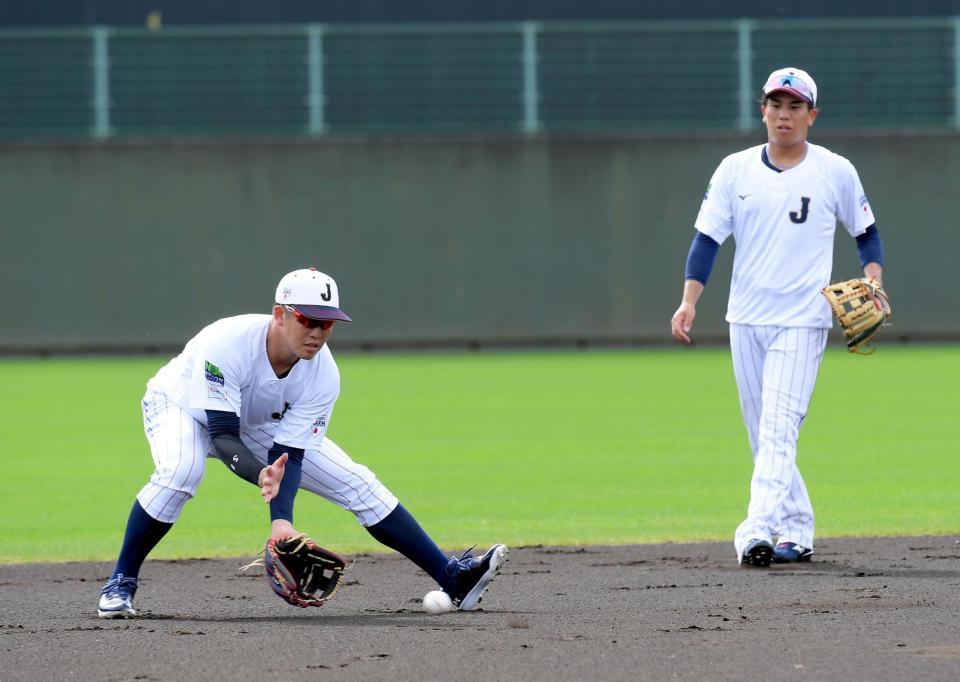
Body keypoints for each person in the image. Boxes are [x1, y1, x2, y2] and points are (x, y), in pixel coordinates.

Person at [98, 268, 507, 617]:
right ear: (280, 315)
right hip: (181, 406)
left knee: (357, 483)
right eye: (308, 320)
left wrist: (281, 523)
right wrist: (260, 473)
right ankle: (120, 582)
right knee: (182, 472)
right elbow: (221, 435)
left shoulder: (323, 374)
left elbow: (288, 454)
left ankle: (454, 579)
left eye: (326, 324)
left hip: (257, 421)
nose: (317, 332)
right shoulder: (226, 343)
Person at [669, 67, 886, 567]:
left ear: (812, 115)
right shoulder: (734, 170)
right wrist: (688, 301)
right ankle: (798, 529)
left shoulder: (835, 170)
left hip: (803, 319)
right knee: (762, 432)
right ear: (762, 110)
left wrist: (873, 280)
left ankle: (755, 530)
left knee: (778, 428)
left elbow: (867, 234)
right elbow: (707, 240)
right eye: (776, 104)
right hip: (746, 318)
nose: (783, 115)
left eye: (794, 106)